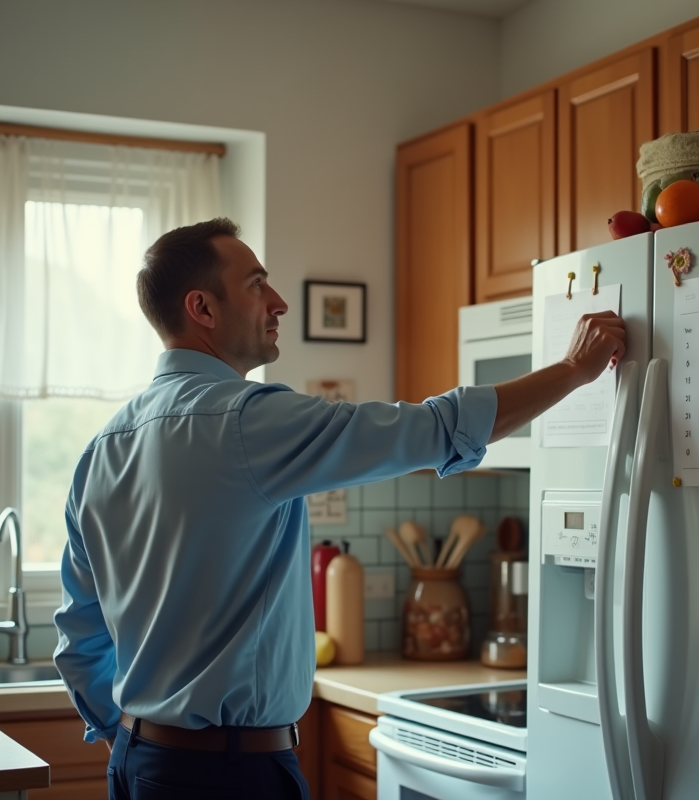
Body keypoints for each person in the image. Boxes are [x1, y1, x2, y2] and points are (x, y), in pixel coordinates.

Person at [54, 218, 626, 800]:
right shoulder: (249, 420)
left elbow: (79, 639)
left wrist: (134, 739)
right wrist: (574, 369)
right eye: (256, 284)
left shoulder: (100, 450)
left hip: (138, 763)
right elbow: (439, 427)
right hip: (228, 776)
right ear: (201, 307)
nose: (278, 302)